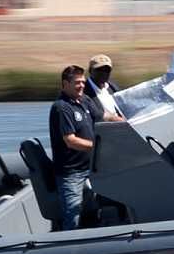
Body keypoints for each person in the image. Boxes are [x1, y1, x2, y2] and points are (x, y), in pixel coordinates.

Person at [48, 64, 97, 229]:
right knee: (73, 217)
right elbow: (70, 140)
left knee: (92, 212)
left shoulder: (85, 101)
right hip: (71, 174)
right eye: (77, 82)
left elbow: (103, 116)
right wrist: (97, 147)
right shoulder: (61, 107)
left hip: (90, 169)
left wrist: (123, 121)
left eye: (83, 82)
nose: (82, 85)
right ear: (65, 84)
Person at [84, 53, 124, 122]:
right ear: (90, 71)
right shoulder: (83, 90)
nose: (104, 73)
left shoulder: (112, 87)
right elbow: (95, 115)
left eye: (107, 70)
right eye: (99, 69)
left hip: (120, 128)